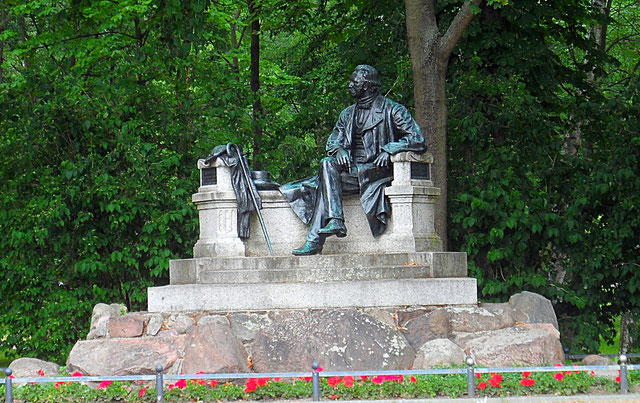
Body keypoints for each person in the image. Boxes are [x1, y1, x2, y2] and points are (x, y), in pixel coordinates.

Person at [279, 65, 427, 256]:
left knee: (325, 183)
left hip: (376, 170)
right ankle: (336, 221)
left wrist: (390, 149)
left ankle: (315, 240)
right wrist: (339, 150)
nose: (350, 85)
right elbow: (332, 142)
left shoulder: (393, 110)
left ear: (366, 85)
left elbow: (417, 139)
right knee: (327, 163)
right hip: (352, 171)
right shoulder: (348, 114)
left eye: (354, 82)